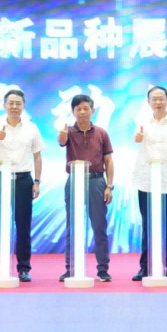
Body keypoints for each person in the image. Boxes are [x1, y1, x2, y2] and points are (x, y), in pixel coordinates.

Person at [0, 89, 44, 282]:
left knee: (23, 225)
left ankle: (24, 268)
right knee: (0, 223)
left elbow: (37, 156)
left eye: (18, 103)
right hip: (2, 179)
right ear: (4, 105)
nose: (14, 107)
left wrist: (37, 181)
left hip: (24, 180)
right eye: (11, 103)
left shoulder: (32, 128)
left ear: (24, 106)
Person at [132, 86, 167, 283]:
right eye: (154, 99)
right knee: (148, 225)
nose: (158, 102)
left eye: (161, 99)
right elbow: (136, 139)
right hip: (146, 182)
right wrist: (138, 138)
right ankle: (145, 267)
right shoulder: (142, 123)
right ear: (148, 102)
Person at [58, 94, 114, 282]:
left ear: (93, 111)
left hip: (97, 181)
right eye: (78, 109)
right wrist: (62, 136)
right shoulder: (68, 132)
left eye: (86, 108)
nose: (82, 112)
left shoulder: (101, 133)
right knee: (72, 226)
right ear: (73, 112)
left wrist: (109, 186)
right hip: (74, 181)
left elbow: (108, 160)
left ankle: (103, 269)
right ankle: (71, 268)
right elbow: (61, 141)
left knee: (99, 226)